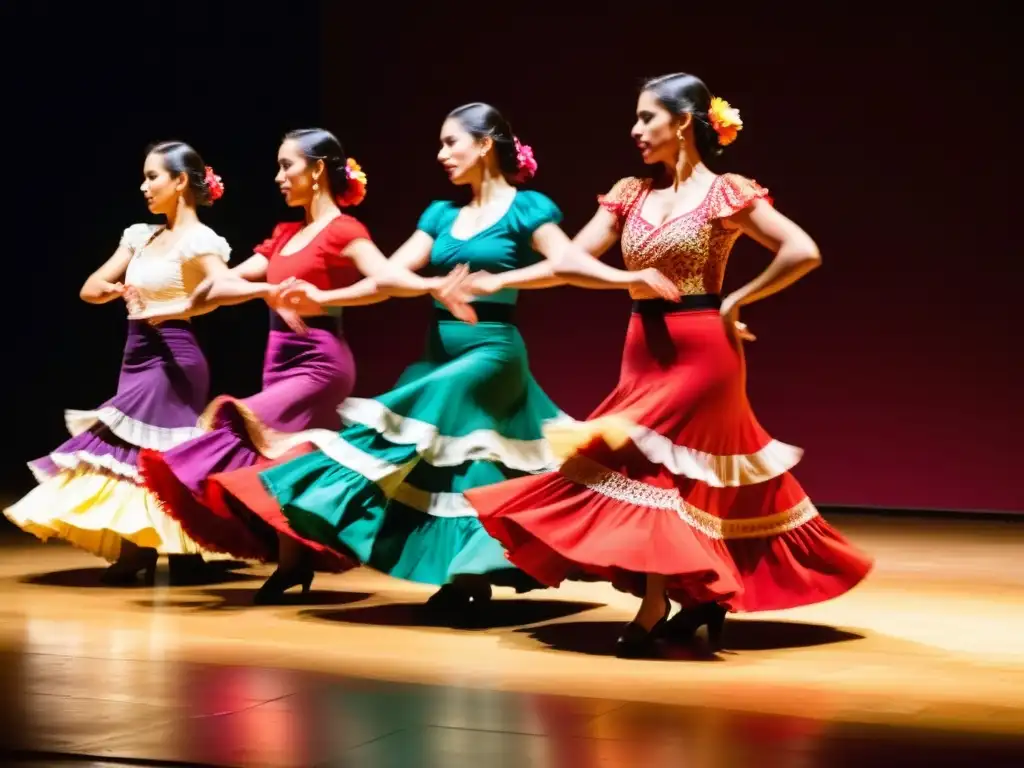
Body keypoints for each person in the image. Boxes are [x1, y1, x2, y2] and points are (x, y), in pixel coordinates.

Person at [464, 73, 873, 657]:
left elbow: (802, 250)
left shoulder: (725, 192)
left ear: (682, 122)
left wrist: (736, 300)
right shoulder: (629, 193)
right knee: (648, 474)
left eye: (646, 118)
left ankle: (655, 605)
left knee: (657, 477)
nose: (635, 130)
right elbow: (570, 262)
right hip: (642, 349)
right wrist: (502, 278)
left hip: (704, 354)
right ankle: (698, 600)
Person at [215, 102, 678, 617]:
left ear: (484, 145)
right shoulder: (441, 215)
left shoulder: (527, 208)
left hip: (491, 353)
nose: (441, 154)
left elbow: (566, 262)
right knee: (465, 469)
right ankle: (468, 575)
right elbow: (387, 278)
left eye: (450, 142)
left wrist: (624, 279)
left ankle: (449, 563)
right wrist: (323, 299)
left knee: (431, 405)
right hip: (440, 349)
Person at [135, 128, 474, 603]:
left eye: (287, 165)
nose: (278, 177)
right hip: (278, 359)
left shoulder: (344, 230)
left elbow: (384, 276)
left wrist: (431, 286)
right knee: (289, 460)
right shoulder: (284, 235)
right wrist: (231, 297)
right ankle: (293, 564)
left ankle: (319, 549)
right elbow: (224, 286)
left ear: (317, 170)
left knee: (240, 421)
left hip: (319, 365)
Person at [4, 141, 233, 584]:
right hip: (137, 353)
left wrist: (176, 307)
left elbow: (221, 289)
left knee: (153, 451)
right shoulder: (140, 235)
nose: (144, 186)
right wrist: (108, 291)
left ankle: (169, 550)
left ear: (181, 181)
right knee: (138, 453)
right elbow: (90, 287)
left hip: (174, 355)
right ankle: (155, 550)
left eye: (153, 176)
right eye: (144, 177)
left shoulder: (201, 239)